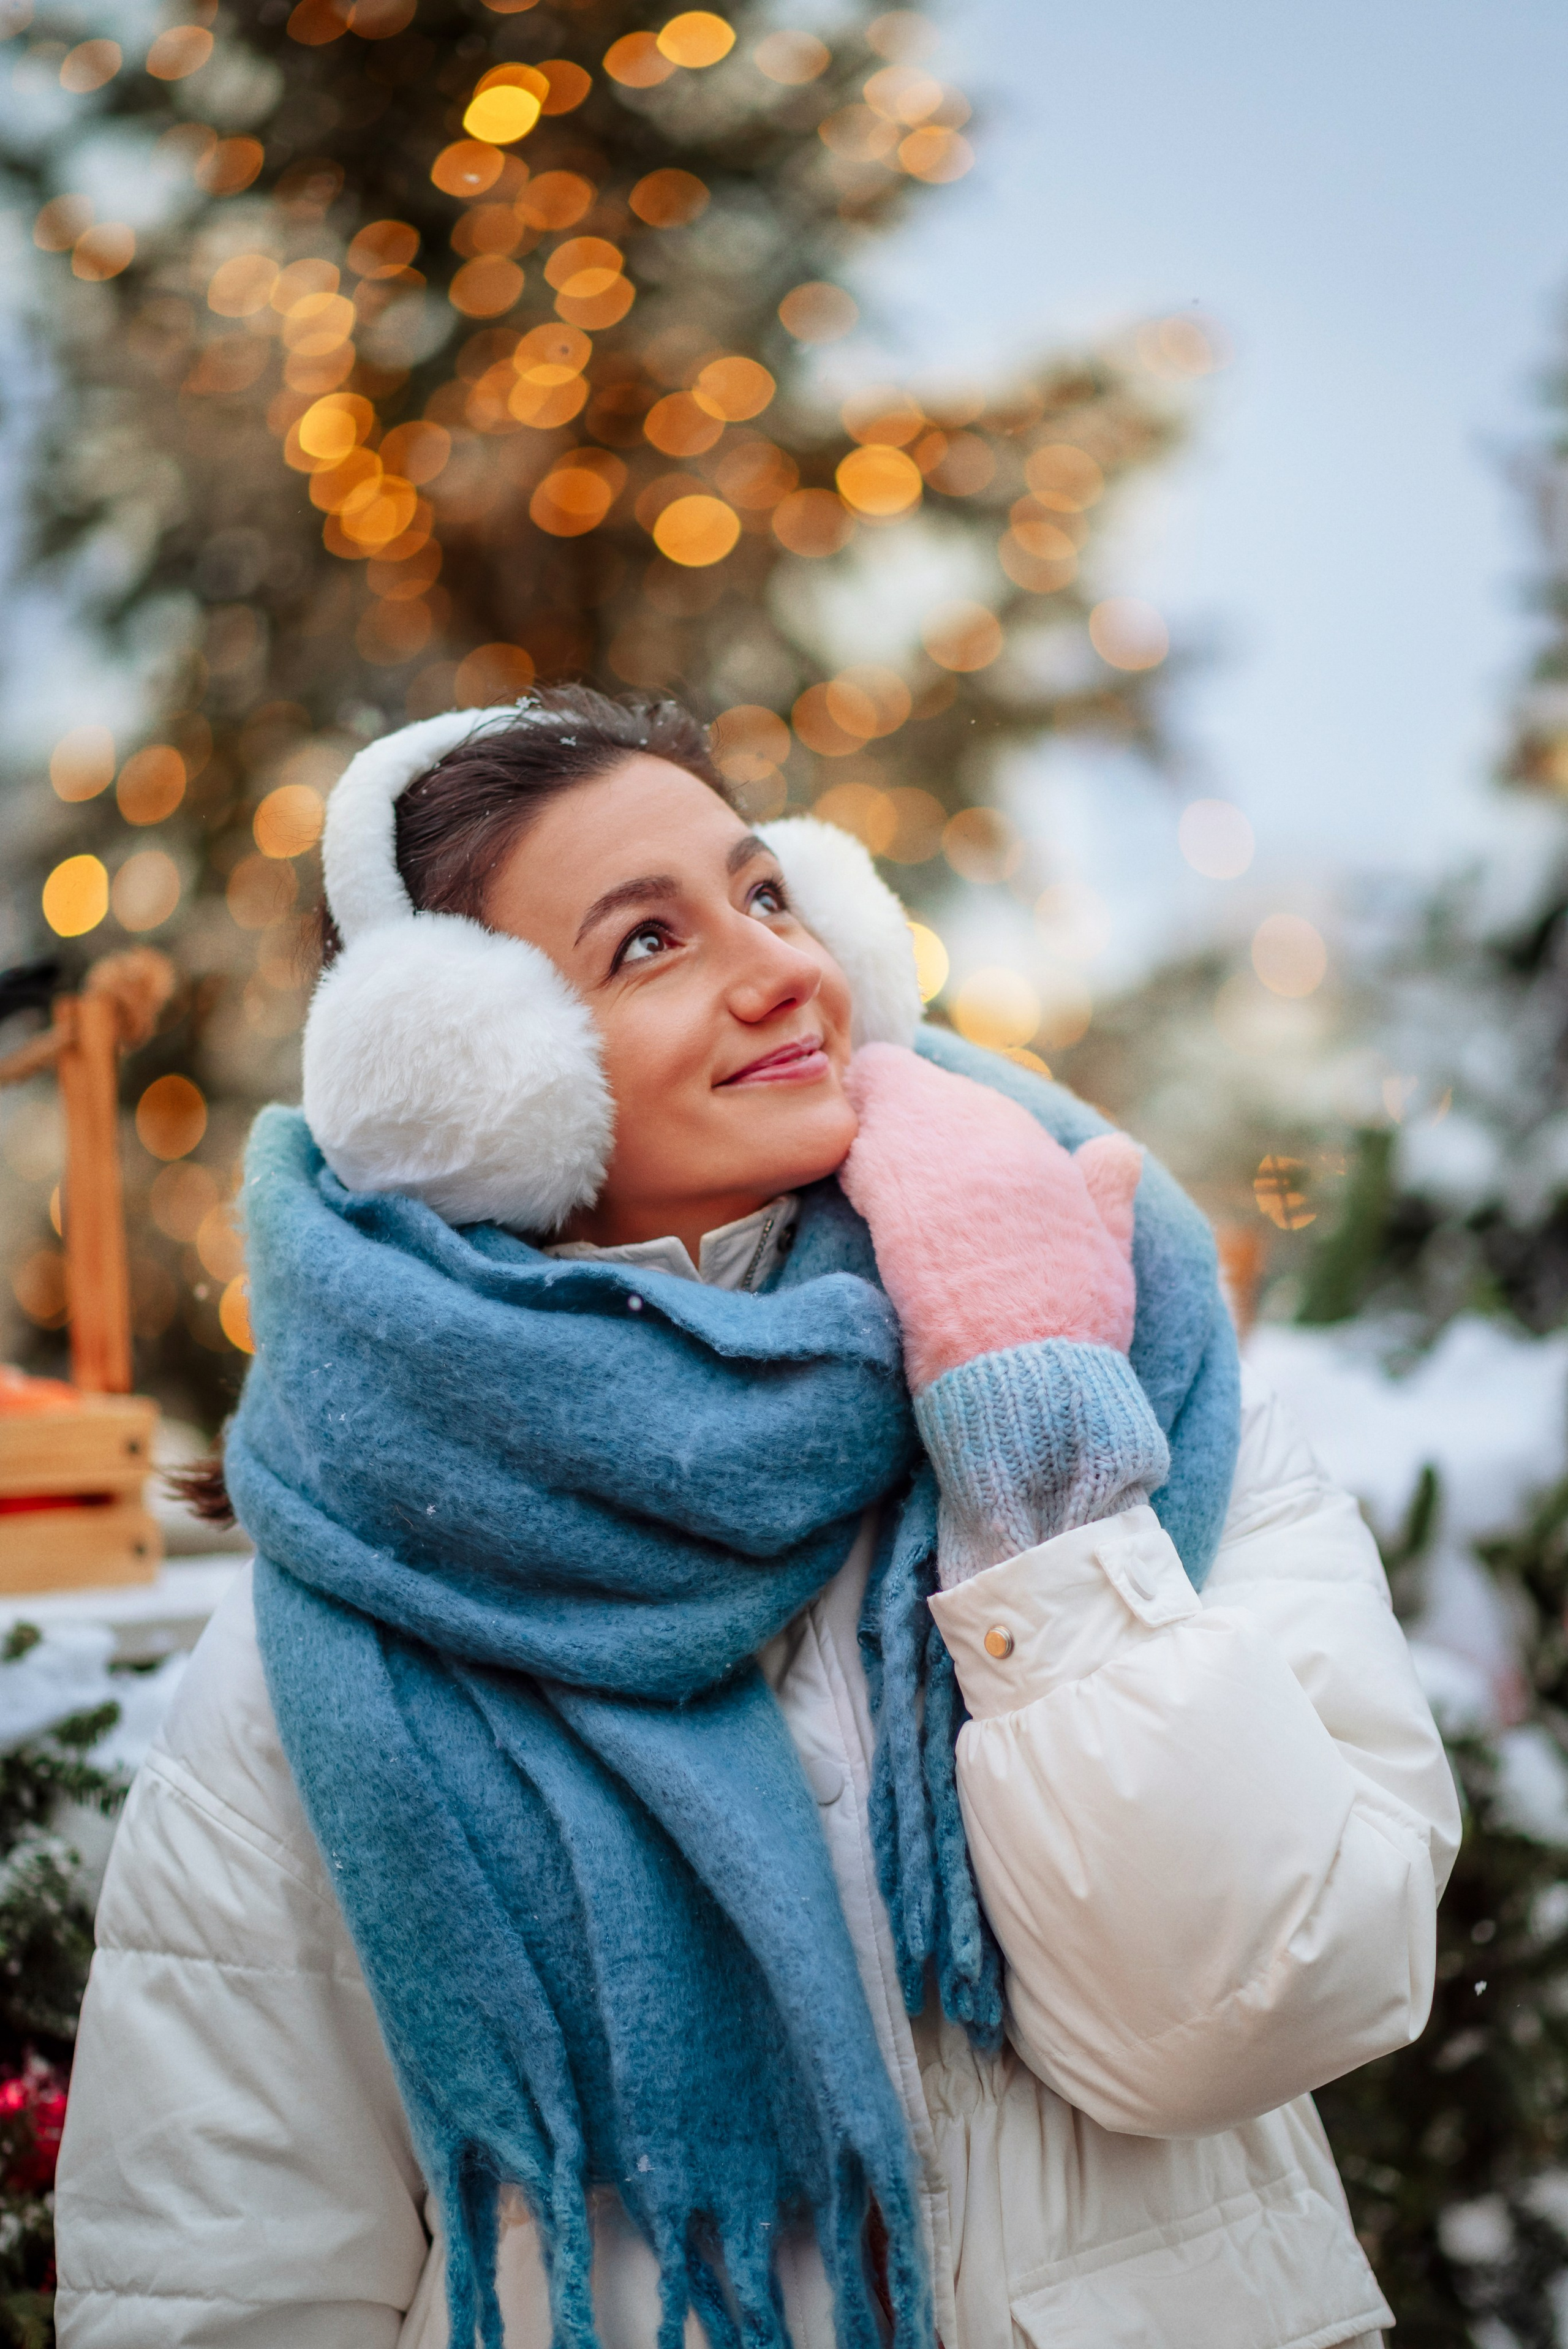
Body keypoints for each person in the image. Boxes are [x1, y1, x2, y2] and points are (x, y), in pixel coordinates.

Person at [55, 687, 1458, 2349]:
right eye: (649, 942)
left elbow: (1271, 1997)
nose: (782, 965)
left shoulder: (1138, 1366)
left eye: (768, 893)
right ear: (475, 1081)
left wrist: (1043, 1481)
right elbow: (227, 2281)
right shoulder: (335, 1630)